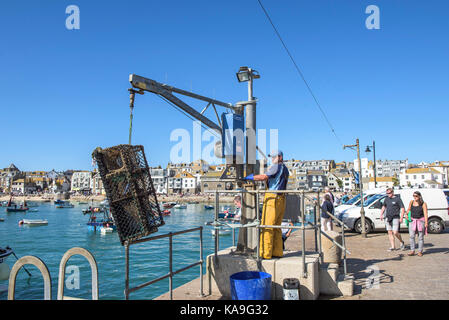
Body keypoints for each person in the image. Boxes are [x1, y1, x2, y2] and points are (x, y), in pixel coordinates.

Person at [245, 150, 289, 259]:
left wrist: (249, 177)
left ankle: (265, 253)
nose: (272, 159)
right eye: (271, 157)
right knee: (277, 227)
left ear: (280, 157)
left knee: (267, 226)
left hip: (272, 198)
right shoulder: (285, 169)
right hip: (281, 199)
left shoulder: (275, 167)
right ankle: (277, 252)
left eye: (274, 157)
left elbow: (264, 177)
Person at [406, 191, 428, 256]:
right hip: (412, 221)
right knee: (411, 236)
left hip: (420, 221)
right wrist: (406, 214)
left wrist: (426, 222)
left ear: (419, 196)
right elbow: (408, 209)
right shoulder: (411, 202)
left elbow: (425, 213)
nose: (414, 197)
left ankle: (420, 251)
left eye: (416, 196)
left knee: (420, 237)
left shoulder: (423, 204)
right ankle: (412, 250)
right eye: (413, 196)